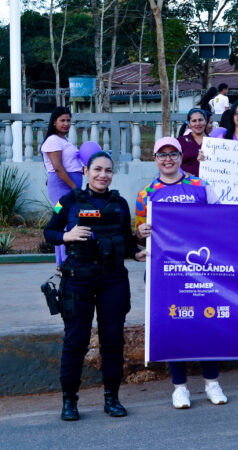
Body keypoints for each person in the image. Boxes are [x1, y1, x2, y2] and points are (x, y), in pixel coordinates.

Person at [135, 137, 238, 408]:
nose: (167, 159)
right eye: (162, 155)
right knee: (174, 326)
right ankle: (179, 387)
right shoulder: (146, 193)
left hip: (202, 270)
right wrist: (140, 232)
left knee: (207, 322)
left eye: (173, 154)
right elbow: (139, 232)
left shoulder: (200, 186)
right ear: (154, 159)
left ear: (181, 157)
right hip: (166, 273)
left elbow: (221, 217)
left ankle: (212, 382)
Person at [43, 151, 146, 421]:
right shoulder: (68, 201)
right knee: (75, 342)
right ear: (86, 171)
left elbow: (125, 240)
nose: (103, 175)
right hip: (79, 280)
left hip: (113, 280)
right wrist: (67, 235)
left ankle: (112, 399)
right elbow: (48, 232)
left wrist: (136, 252)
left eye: (108, 170)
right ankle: (69, 402)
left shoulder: (119, 203)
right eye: (97, 169)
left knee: (113, 342)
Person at [41, 106, 83, 270]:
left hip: (68, 186)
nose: (66, 123)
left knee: (63, 222)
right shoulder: (53, 140)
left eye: (68, 120)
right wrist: (74, 187)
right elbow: (57, 168)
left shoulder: (65, 140)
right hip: (61, 187)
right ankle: (65, 263)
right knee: (64, 222)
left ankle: (61, 264)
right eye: (62, 120)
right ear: (54, 122)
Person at [177, 108, 209, 176]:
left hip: (208, 184)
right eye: (194, 121)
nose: (198, 123)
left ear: (205, 121)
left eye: (200, 120)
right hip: (186, 183)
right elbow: (173, 163)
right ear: (189, 123)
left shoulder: (213, 143)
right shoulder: (180, 142)